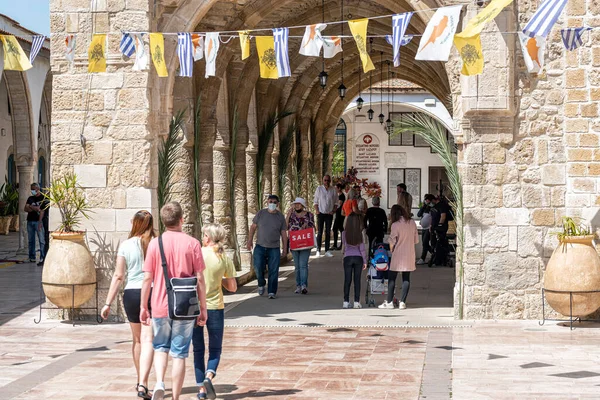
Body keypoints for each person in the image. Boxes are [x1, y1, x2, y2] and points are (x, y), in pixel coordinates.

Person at [140, 202, 208, 400]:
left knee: (160, 347)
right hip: (185, 306)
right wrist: (202, 308)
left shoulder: (155, 244)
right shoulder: (193, 243)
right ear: (181, 219)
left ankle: (160, 382)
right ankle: (176, 397)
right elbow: (200, 279)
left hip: (160, 305)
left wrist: (144, 306)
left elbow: (147, 278)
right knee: (179, 353)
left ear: (163, 221)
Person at [101, 210, 156, 400]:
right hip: (153, 292)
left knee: (138, 340)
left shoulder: (126, 245)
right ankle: (145, 382)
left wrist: (107, 303)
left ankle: (141, 381)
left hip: (132, 293)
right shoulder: (156, 243)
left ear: (135, 224)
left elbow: (118, 276)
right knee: (151, 340)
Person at [193, 224, 237, 400]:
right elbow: (232, 287)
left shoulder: (197, 254)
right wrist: (220, 282)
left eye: (204, 235)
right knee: (215, 348)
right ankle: (209, 376)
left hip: (195, 307)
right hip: (216, 307)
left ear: (208, 237)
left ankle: (201, 391)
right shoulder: (223, 257)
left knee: (197, 350)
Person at [247, 194, 288, 299]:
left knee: (273, 270)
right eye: (270, 202)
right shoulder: (261, 213)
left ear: (278, 204)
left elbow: (284, 233)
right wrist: (249, 240)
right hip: (260, 246)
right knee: (257, 266)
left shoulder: (280, 217)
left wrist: (285, 248)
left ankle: (272, 291)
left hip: (274, 247)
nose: (272, 204)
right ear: (267, 203)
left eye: (274, 202)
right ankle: (261, 283)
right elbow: (253, 227)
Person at [379, 204, 419, 310]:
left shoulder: (395, 225)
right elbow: (416, 240)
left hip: (398, 253)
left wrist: (391, 249)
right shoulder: (412, 222)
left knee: (392, 278)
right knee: (406, 278)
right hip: (409, 253)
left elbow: (392, 241)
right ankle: (403, 302)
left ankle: (390, 301)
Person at [286, 198, 315, 294]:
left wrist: (307, 225)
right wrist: (288, 215)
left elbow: (314, 228)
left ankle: (303, 285)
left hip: (305, 242)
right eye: (295, 204)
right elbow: (285, 226)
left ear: (303, 205)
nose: (297, 206)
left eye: (299, 204)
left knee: (303, 265)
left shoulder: (309, 215)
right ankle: (298, 285)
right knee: (297, 266)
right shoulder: (291, 215)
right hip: (294, 243)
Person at [341, 213, 367, 309]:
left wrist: (343, 257)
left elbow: (344, 246)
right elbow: (362, 249)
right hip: (358, 258)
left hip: (347, 257)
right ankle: (356, 302)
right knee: (357, 280)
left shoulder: (344, 233)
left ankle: (346, 301)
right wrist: (365, 261)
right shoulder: (360, 233)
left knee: (347, 280)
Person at [313, 175, 337, 257]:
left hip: (329, 214)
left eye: (328, 180)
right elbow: (315, 202)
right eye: (325, 180)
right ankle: (318, 250)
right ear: (323, 180)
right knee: (319, 232)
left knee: (327, 232)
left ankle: (327, 250)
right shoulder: (319, 189)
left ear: (330, 181)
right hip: (321, 214)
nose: (326, 182)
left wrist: (333, 211)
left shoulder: (333, 190)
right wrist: (317, 211)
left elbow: (336, 203)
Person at [24, 183, 46, 266]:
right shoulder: (30, 198)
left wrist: (40, 222)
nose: (32, 191)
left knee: (41, 240)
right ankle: (31, 256)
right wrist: (34, 208)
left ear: (38, 189)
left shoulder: (43, 198)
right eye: (31, 189)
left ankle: (42, 256)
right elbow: (25, 208)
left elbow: (42, 211)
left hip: (38, 222)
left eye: (33, 189)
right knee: (31, 240)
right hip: (30, 221)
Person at [430, 196, 451, 267]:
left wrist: (440, 225)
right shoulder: (435, 206)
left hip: (441, 228)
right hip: (435, 227)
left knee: (440, 242)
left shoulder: (441, 206)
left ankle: (440, 259)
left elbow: (443, 216)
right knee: (435, 243)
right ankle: (438, 259)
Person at [416, 194, 435, 265]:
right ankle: (434, 253)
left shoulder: (432, 208)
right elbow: (419, 214)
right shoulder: (424, 207)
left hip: (429, 228)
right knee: (425, 244)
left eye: (427, 200)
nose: (426, 201)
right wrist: (423, 206)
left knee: (425, 242)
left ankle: (423, 258)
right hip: (424, 228)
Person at [332, 183, 346, 250]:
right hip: (338, 214)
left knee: (339, 229)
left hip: (340, 215)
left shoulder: (342, 196)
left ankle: (340, 244)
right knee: (337, 229)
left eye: (336, 188)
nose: (335, 189)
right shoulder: (338, 196)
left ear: (339, 188)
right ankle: (336, 244)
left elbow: (339, 205)